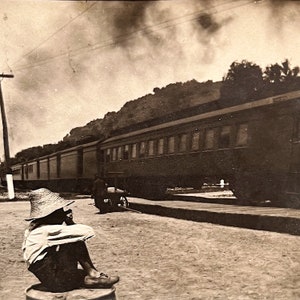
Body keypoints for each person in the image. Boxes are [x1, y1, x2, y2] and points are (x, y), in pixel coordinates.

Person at [22, 188, 119, 292]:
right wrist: (69, 221)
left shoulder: (33, 229)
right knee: (74, 239)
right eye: (60, 211)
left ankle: (91, 279)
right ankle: (93, 273)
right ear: (51, 214)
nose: (63, 213)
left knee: (79, 273)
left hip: (50, 279)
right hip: (57, 280)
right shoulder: (46, 231)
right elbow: (88, 232)